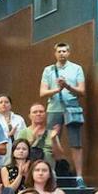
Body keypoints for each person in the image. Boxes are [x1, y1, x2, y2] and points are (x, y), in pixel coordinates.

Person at [38, 41, 86, 176]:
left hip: (72, 108)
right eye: (59, 51)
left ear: (69, 53)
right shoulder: (49, 70)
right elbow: (42, 92)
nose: (62, 54)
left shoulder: (77, 68)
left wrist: (67, 86)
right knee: (50, 142)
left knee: (76, 143)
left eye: (64, 51)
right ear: (55, 53)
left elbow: (82, 91)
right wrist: (58, 89)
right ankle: (50, 174)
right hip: (54, 108)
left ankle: (79, 176)